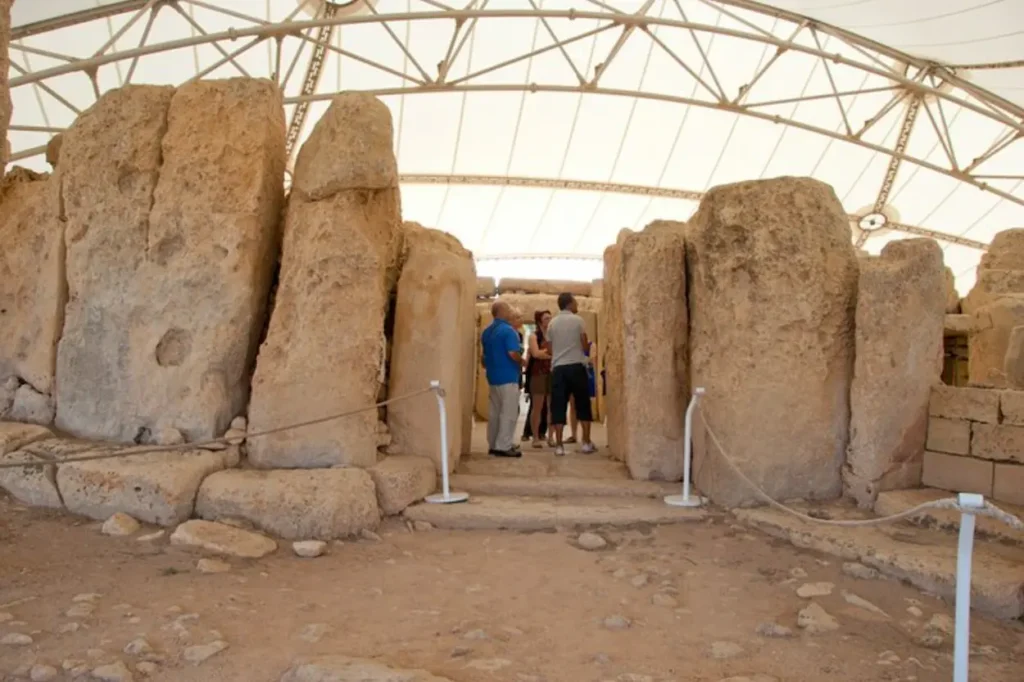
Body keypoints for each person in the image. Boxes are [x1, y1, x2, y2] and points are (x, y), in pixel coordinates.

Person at [547, 293, 597, 456]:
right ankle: (586, 442)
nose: (577, 305)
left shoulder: (552, 323)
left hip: (559, 368)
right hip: (576, 366)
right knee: (582, 404)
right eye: (575, 302)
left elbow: (549, 348)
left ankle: (559, 445)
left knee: (558, 406)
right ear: (569, 304)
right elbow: (584, 344)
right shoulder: (578, 320)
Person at [481, 300, 525, 458]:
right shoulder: (508, 331)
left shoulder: (487, 332)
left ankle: (493, 444)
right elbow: (513, 353)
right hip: (508, 376)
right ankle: (504, 445)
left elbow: (483, 358)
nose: (511, 311)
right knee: (509, 412)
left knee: (494, 412)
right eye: (509, 308)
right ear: (503, 312)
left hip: (493, 376)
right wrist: (523, 361)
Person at [524, 310, 553, 448]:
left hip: (552, 372)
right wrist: (550, 354)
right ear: (540, 321)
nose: (549, 320)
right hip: (538, 373)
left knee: (552, 407)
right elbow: (535, 353)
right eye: (546, 318)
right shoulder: (534, 336)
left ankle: (551, 437)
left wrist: (545, 354)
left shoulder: (553, 335)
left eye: (550, 318)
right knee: (537, 407)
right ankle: (535, 436)